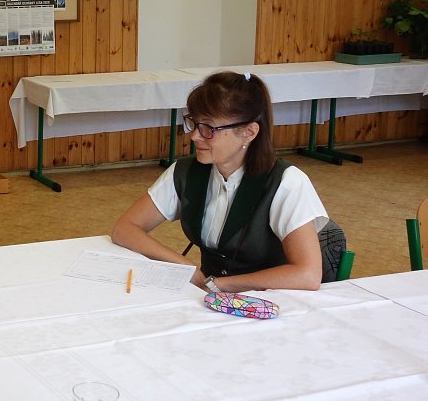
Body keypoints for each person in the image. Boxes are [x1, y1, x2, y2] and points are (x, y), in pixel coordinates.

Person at [110, 71, 329, 292]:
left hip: (272, 301)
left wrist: (221, 284)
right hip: (211, 298)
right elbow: (124, 229)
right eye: (194, 123)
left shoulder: (286, 182)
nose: (195, 136)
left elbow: (308, 275)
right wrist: (183, 265)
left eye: (209, 128)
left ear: (249, 132)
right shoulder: (187, 171)